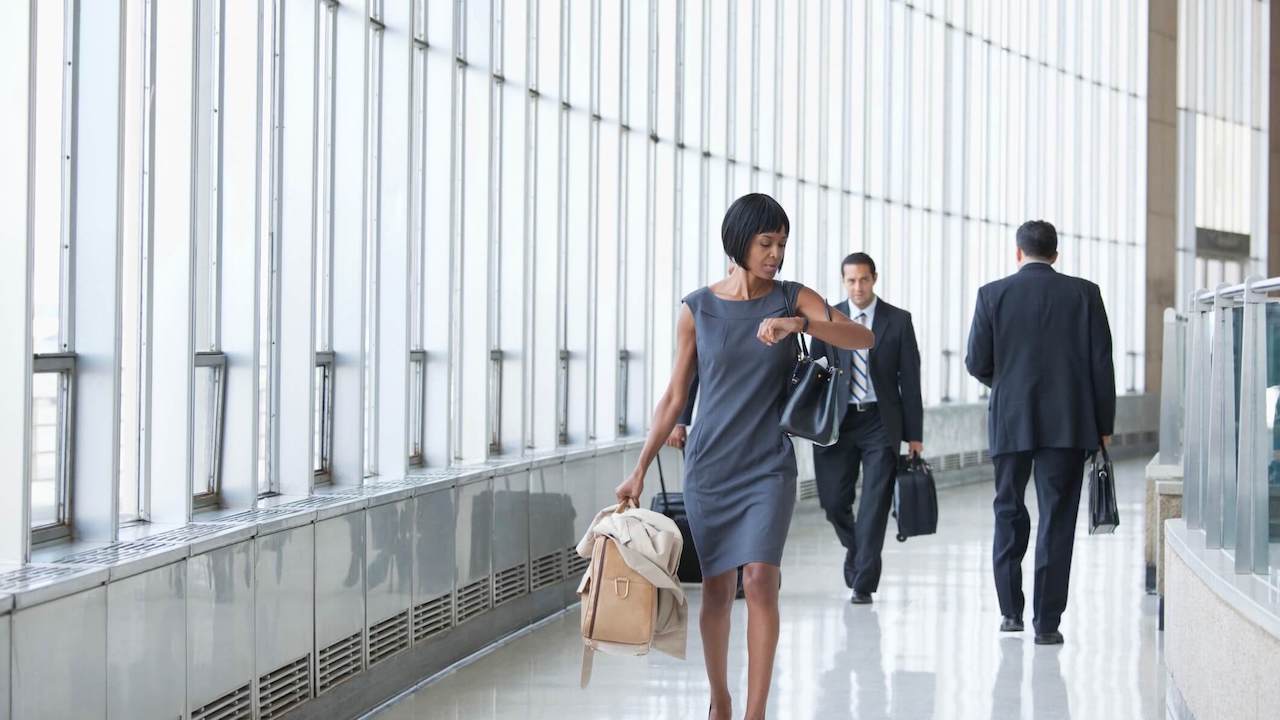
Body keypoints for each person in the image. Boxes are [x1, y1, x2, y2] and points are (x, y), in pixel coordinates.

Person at [614, 193, 874, 720]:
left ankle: (755, 710)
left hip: (768, 464)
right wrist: (639, 467)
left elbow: (860, 335)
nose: (776, 253)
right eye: (766, 243)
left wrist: (800, 326)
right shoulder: (697, 309)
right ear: (739, 242)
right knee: (715, 587)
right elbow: (674, 394)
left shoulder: (792, 298)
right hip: (710, 463)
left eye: (782, 243)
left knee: (758, 577)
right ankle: (722, 700)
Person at [964, 220, 1116, 646]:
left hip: (1011, 418)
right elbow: (1101, 366)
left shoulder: (992, 294)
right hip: (1068, 422)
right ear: (1055, 253)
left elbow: (977, 361)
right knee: (1057, 518)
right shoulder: (1085, 294)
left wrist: (1010, 385)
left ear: (1018, 253)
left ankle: (1010, 612)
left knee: (1008, 509)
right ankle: (1046, 623)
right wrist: (1104, 427)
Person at [809, 252, 923, 605]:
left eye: (863, 279)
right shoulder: (827, 319)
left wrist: (914, 436)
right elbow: (815, 372)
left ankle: (863, 582)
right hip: (837, 424)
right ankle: (857, 550)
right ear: (843, 281)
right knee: (832, 502)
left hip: (879, 421)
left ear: (874, 278)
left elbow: (911, 381)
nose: (857, 287)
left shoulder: (898, 321)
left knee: (874, 504)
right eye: (850, 280)